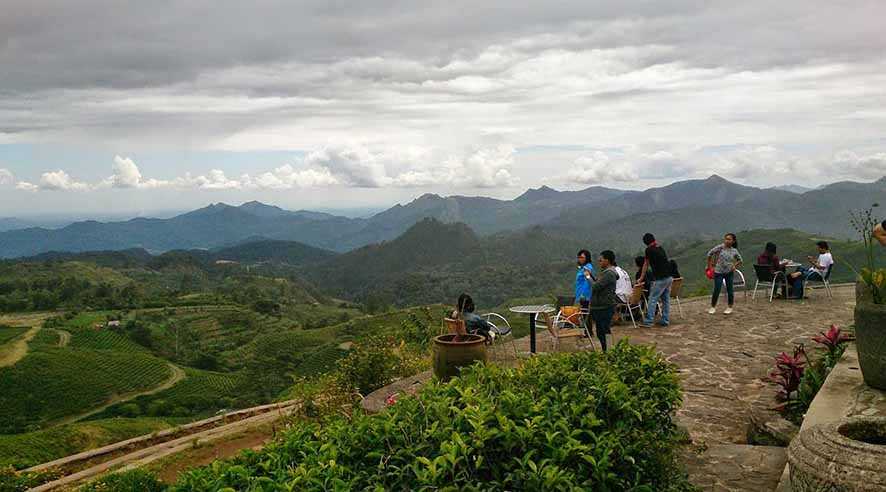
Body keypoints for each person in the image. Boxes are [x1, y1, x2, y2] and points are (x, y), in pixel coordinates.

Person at [637, 233, 673, 327]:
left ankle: (648, 321)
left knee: (652, 299)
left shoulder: (649, 250)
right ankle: (665, 320)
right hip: (669, 277)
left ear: (645, 242)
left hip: (660, 278)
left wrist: (641, 278)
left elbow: (646, 264)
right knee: (665, 300)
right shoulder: (660, 247)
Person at [706, 233, 743, 315]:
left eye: (729, 239)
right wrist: (710, 267)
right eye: (726, 239)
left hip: (729, 272)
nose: (727, 240)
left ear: (733, 241)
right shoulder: (720, 248)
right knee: (717, 289)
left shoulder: (734, 251)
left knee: (730, 290)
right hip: (718, 272)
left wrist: (734, 266)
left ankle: (730, 307)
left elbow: (740, 260)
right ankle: (713, 306)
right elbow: (709, 254)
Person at [590, 250, 619, 351]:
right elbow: (599, 284)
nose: (599, 261)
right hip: (601, 306)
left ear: (607, 260)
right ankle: (606, 351)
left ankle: (609, 351)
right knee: (601, 331)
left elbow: (595, 287)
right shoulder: (607, 273)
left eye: (601, 260)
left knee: (604, 331)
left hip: (604, 306)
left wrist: (588, 277)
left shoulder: (609, 273)